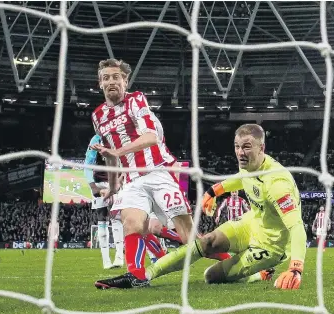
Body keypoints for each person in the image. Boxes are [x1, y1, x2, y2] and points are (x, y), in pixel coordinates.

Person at [90, 58, 228, 289]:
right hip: (132, 180)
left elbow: (151, 137)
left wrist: (118, 150)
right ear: (100, 84)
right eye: (106, 78)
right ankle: (136, 276)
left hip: (160, 172)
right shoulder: (98, 116)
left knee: (189, 238)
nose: (111, 81)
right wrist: (113, 186)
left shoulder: (136, 100)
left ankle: (237, 261)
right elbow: (109, 155)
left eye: (116, 77)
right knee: (132, 223)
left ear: (125, 81)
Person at [142, 124, 307, 290]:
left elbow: (297, 226)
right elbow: (240, 178)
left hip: (271, 245)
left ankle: (260, 274)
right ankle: (145, 275)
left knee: (211, 276)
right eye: (237, 146)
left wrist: (295, 268)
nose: (240, 152)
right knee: (207, 241)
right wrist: (212, 191)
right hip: (251, 223)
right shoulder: (249, 164)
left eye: (247, 147)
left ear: (261, 148)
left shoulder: (277, 184)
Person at [85, 134, 124, 269]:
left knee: (116, 217)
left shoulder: (120, 136)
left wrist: (117, 185)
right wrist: (94, 187)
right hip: (99, 184)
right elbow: (87, 165)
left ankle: (119, 257)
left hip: (115, 182)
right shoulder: (95, 139)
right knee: (102, 219)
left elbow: (125, 167)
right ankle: (106, 261)